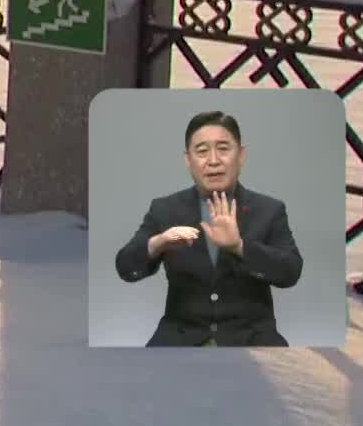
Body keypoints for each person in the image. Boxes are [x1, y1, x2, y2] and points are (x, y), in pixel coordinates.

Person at [115, 110, 303, 346]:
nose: (213, 160)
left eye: (223, 149)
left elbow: (291, 271)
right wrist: (158, 243)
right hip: (180, 338)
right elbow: (125, 267)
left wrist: (240, 247)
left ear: (241, 155)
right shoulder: (165, 209)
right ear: (188, 160)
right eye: (202, 151)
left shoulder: (269, 209)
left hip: (252, 340)